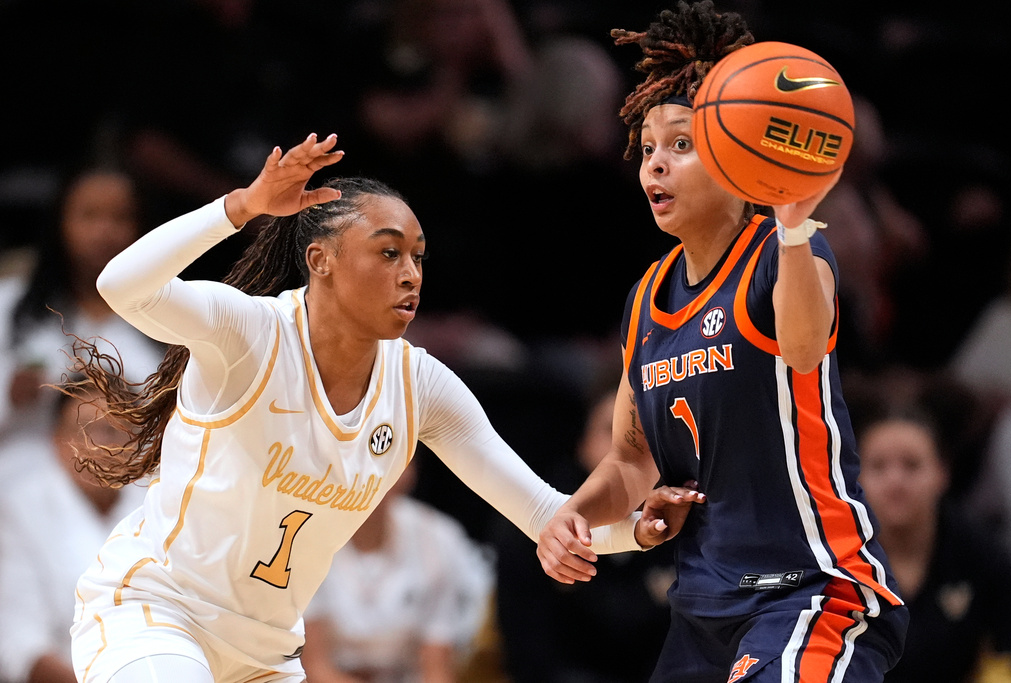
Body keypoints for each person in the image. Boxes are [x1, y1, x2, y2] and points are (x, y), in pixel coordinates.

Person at [66, 133, 699, 683]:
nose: (412, 274)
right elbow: (122, 285)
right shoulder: (250, 335)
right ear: (322, 261)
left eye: (419, 256)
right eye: (389, 252)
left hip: (264, 653)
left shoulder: (420, 386)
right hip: (155, 612)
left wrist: (636, 531)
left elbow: (542, 514)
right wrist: (241, 206)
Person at [535, 2, 909, 681]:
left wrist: (794, 224)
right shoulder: (646, 297)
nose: (655, 165)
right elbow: (628, 460)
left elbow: (802, 349)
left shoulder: (786, 255)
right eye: (647, 148)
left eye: (680, 144)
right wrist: (573, 515)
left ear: (740, 152)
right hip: (703, 613)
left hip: (810, 592)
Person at [492, 384, 675, 683]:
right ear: (583, 442)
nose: (629, 443)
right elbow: (527, 654)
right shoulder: (534, 523)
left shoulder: (681, 516)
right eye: (609, 430)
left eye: (645, 434)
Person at [0, 166, 166, 450]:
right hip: (22, 477)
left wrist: (132, 400)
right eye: (89, 215)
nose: (104, 231)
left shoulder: (168, 315)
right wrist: (8, 392)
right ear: (60, 223)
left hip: (131, 483)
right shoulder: (11, 304)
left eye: (120, 217)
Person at [856, 410, 1011, 683]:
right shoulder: (824, 559)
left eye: (911, 465)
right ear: (855, 477)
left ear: (942, 472)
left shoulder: (982, 554)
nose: (895, 482)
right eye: (878, 466)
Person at [0, 381, 147, 683]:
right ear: (56, 441)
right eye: (88, 430)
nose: (103, 445)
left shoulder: (162, 498)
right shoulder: (22, 509)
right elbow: (22, 643)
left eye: (117, 430)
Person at [300, 462, 494, 683]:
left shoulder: (438, 539)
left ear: (407, 471)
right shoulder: (304, 538)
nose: (368, 477)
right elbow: (314, 667)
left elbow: (437, 668)